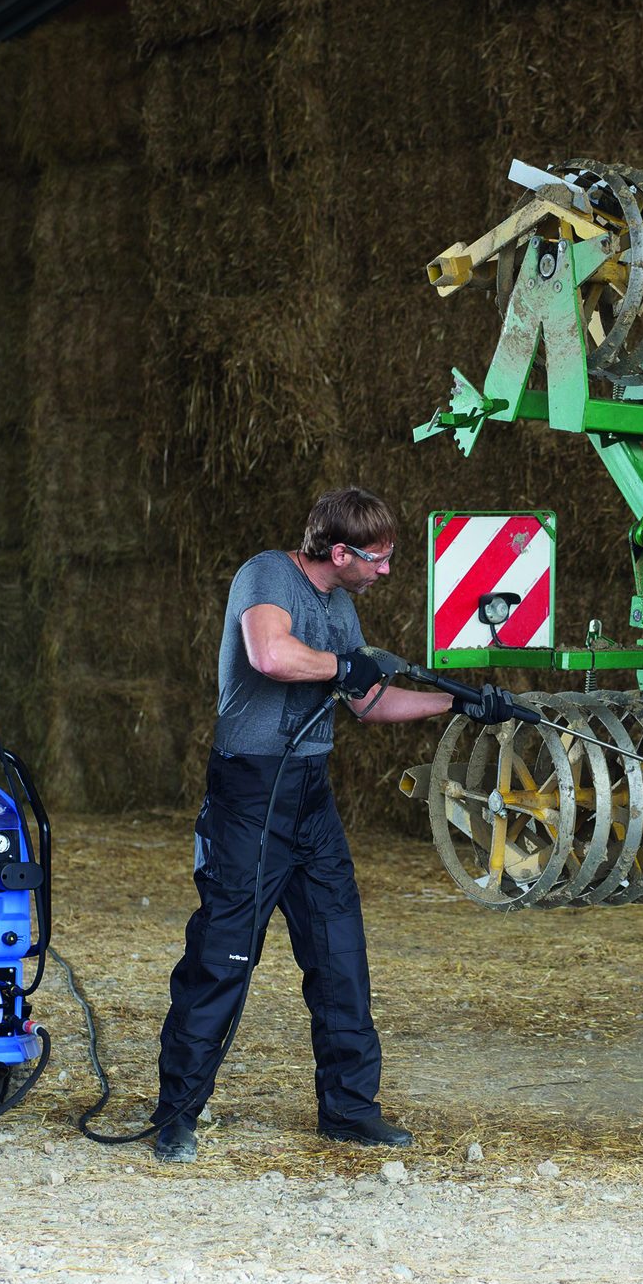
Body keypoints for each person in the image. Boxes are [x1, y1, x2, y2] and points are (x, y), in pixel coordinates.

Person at [151, 487, 519, 1162]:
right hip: (249, 797)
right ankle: (175, 1114)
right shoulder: (267, 575)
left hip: (310, 800)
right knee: (222, 957)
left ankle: (349, 1109)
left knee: (340, 955)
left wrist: (458, 704)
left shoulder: (342, 606)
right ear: (339, 551)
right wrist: (342, 664)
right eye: (377, 559)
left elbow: (369, 701)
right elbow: (269, 653)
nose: (385, 571)